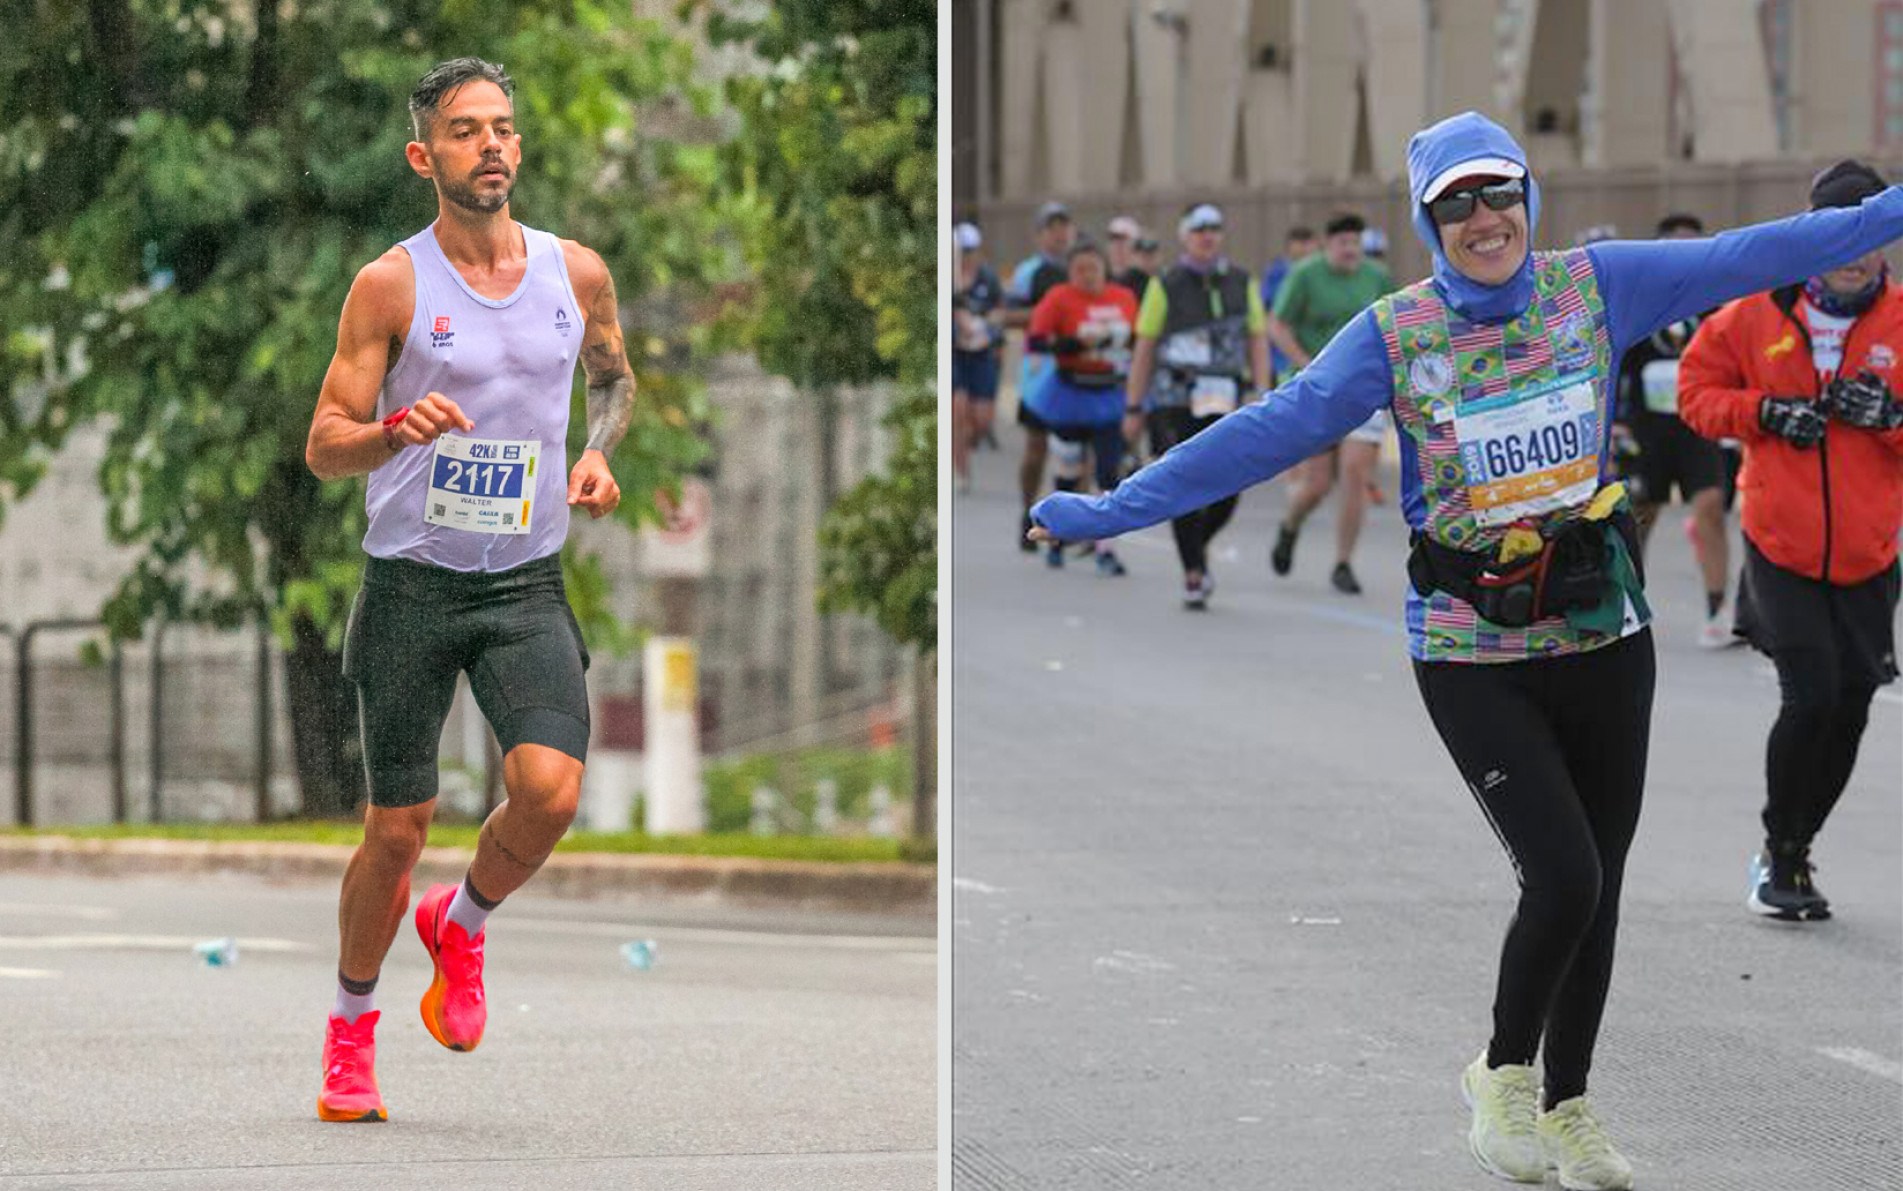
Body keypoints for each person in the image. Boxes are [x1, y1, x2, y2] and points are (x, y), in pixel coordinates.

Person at [1030, 110, 1903, 1190]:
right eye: (1456, 204)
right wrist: (1112, 508)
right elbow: (1268, 428)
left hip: (1601, 632)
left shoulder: (1598, 288)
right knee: (1563, 876)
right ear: (1427, 221)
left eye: (1497, 195)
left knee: (1604, 887)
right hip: (1469, 648)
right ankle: (1502, 1075)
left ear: (1527, 199)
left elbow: (1768, 251)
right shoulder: (1395, 336)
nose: (1482, 220)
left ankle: (1572, 1108)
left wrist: (1889, 213)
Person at [303, 57, 647, 1123]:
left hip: (524, 583)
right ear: (425, 156)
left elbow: (614, 376)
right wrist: (389, 431)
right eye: (464, 131)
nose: (491, 145)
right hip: (412, 585)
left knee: (548, 790)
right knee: (397, 828)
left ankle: (464, 923)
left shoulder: (575, 272)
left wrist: (595, 455)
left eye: (502, 126)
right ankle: (351, 1029)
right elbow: (324, 446)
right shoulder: (391, 286)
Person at [1679, 160, 1903, 922]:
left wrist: (1890, 415)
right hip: (1779, 542)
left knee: (1851, 702)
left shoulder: (1900, 319)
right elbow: (1692, 397)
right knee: (1808, 693)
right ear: (1809, 233)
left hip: (1870, 553)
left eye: (1870, 233)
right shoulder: (1748, 315)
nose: (1853, 250)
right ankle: (1778, 854)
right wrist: (1764, 414)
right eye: (1837, 232)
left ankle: (1798, 845)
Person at [1122, 202, 1271, 608]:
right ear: (1185, 236)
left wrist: (1261, 387)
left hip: (1226, 396)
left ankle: (1195, 547)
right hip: (1176, 399)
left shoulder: (1242, 281)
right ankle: (1193, 571)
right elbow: (1145, 347)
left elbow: (1257, 337)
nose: (1207, 236)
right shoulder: (1165, 284)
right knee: (1186, 480)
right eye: (1199, 229)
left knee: (1231, 484)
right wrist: (1134, 406)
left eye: (1214, 229)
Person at [1610, 213, 1737, 647]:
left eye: (1693, 246)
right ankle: (1626, 607)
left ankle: (1719, 611)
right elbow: (1617, 365)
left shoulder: (1717, 305)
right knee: (1639, 515)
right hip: (1647, 427)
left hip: (1697, 425)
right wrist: (1615, 423)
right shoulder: (1640, 303)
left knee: (1711, 506)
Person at [1266, 211, 1394, 594]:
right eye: (1343, 243)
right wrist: (1307, 365)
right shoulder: (1305, 275)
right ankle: (1290, 526)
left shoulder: (1376, 277)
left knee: (1356, 472)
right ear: (1328, 245)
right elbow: (1277, 323)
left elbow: (1394, 322)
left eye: (1356, 243)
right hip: (1318, 389)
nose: (1350, 250)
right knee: (1318, 484)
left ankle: (1343, 562)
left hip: (1362, 390)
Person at [1026, 241, 1140, 575]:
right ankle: (1056, 537)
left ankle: (1106, 549)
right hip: (1070, 392)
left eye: (1093, 267)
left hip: (1109, 392)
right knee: (1069, 470)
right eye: (1079, 269)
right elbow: (1036, 341)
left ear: (1105, 268)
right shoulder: (1059, 298)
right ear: (1070, 272)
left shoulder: (1123, 298)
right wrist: (1075, 343)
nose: (1087, 275)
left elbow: (1140, 338)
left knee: (1108, 473)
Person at [1004, 201, 1077, 550]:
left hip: (1076, 369)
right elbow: (1009, 314)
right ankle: (1026, 509)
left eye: (1064, 227)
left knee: (1075, 450)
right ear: (1040, 234)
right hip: (1040, 368)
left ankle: (1066, 519)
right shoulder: (1029, 272)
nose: (1059, 234)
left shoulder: (1082, 269)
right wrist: (1048, 313)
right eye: (1052, 228)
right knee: (1037, 448)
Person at [952, 221, 1005, 495]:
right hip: (955, 353)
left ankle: (968, 441)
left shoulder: (987, 278)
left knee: (981, 420)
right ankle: (961, 471)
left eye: (971, 250)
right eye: (962, 250)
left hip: (981, 351)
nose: (967, 255)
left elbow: (999, 309)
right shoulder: (949, 277)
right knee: (957, 411)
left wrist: (986, 326)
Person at [1260, 225, 1317, 383]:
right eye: (1300, 243)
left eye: (1308, 243)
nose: (1305, 249)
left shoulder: (1320, 274)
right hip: (1280, 354)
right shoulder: (1277, 273)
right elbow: (1268, 309)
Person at [1107, 214, 1152, 295]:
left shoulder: (1142, 281)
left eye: (1123, 239)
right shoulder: (1103, 278)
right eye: (1113, 239)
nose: (1117, 244)